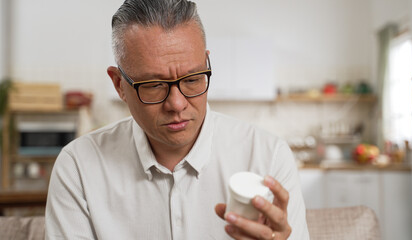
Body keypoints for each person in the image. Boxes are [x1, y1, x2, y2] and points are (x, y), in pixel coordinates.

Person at [45, 0, 310, 239]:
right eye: (154, 85)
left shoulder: (269, 156)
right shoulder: (78, 167)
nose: (177, 104)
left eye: (193, 79)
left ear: (206, 64)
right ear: (119, 85)